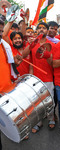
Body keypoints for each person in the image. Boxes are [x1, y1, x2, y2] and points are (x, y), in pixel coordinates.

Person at [22, 22, 56, 132]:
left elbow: (54, 62)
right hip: (36, 79)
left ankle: (51, 117)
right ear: (37, 30)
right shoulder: (33, 43)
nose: (42, 30)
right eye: (39, 28)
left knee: (49, 101)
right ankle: (39, 121)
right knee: (37, 103)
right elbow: (23, 55)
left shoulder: (52, 45)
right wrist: (31, 45)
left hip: (49, 77)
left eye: (44, 28)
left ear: (47, 31)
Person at [0, 15, 22, 150]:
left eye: (1, 31)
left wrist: (15, 64)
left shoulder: (4, 46)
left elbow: (7, 68)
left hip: (5, 93)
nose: (0, 34)